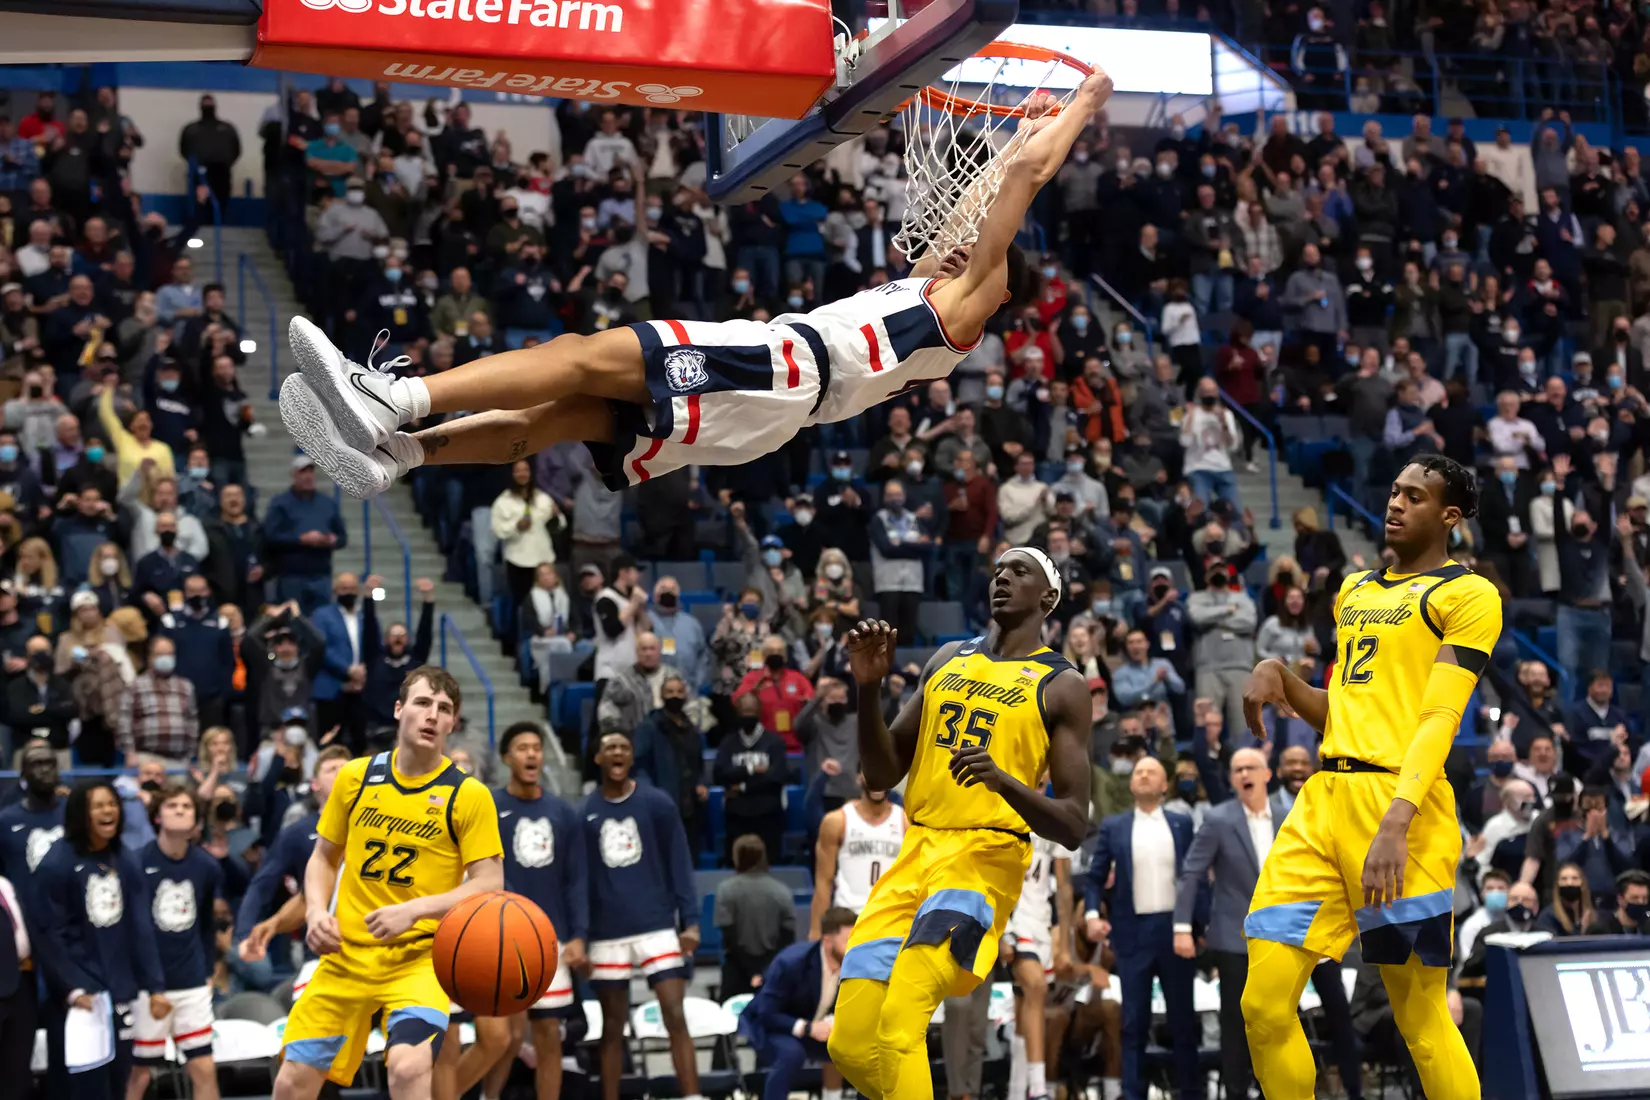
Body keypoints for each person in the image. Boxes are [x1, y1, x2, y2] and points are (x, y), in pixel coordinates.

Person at [279, 75, 1118, 499]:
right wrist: (1022, 126)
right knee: (566, 420)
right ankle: (402, 455)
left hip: (782, 370)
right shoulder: (936, 293)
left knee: (580, 356)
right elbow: (992, 187)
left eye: (979, 244)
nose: (961, 227)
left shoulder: (968, 302)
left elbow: (1020, 184)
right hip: (774, 406)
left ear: (1002, 283)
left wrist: (1082, 103)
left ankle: (399, 399)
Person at [1240, 454, 1500, 1100]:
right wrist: (1283, 680)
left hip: (1401, 807)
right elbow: (1347, 708)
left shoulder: (1466, 595)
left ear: (1450, 515)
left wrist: (1398, 818)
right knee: (1263, 1005)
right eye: (1392, 492)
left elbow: (1439, 716)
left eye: (1414, 496)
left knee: (1421, 1019)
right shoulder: (1354, 592)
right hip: (1323, 800)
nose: (1395, 503)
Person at [827, 547, 1092, 1099]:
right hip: (914, 852)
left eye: (1020, 571)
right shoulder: (947, 657)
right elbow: (880, 774)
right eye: (998, 570)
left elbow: (1072, 824)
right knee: (849, 1044)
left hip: (982, 862)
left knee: (901, 1022)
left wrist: (1004, 782)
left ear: (1048, 596)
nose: (1003, 577)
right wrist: (868, 687)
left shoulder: (1062, 684)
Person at [273, 667, 504, 1100]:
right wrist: (319, 911)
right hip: (347, 954)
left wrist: (414, 910)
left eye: (444, 709)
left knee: (408, 1068)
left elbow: (489, 883)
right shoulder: (354, 777)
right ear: (399, 710)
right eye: (422, 703)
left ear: (453, 723)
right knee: (291, 1082)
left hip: (419, 959)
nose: (432, 715)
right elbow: (323, 857)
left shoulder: (469, 795)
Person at [1173, 747, 1361, 1100]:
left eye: (1251, 768)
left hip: (1301, 929)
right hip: (1236, 935)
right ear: (1231, 778)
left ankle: (1353, 1090)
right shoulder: (1217, 818)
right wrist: (1182, 926)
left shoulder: (1290, 815)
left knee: (1336, 1008)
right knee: (1238, 1024)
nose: (1244, 774)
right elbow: (1192, 872)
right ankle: (1239, 1094)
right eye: (1237, 769)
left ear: (1267, 774)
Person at [583, 729, 702, 1100]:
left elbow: (680, 863)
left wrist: (692, 921)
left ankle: (693, 1095)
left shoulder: (658, 803)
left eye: (623, 747)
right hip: (607, 932)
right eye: (609, 747)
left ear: (631, 757)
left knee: (675, 1015)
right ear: (598, 759)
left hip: (657, 925)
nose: (617, 752)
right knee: (613, 1028)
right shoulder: (583, 812)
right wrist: (582, 935)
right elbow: (580, 881)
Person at [33, 780, 168, 1100]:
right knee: (80, 1087)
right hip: (79, 997)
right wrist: (74, 988)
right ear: (81, 814)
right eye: (98, 805)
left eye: (112, 804)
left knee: (119, 1079)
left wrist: (156, 986)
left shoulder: (125, 858)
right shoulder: (57, 863)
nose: (108, 811)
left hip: (120, 991)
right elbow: (48, 934)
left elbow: (141, 926)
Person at [1081, 757, 1198, 1100]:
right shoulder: (1113, 826)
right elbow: (1095, 877)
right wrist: (1090, 914)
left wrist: (1196, 925)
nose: (1144, 775)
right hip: (1132, 933)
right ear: (1131, 785)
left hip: (1175, 930)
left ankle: (1191, 1091)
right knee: (1133, 1023)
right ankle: (1133, 1094)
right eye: (1138, 772)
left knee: (1183, 1021)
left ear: (1165, 786)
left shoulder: (1181, 823)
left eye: (1152, 772)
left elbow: (1194, 880)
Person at [489, 723, 587, 1100]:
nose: (531, 754)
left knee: (549, 1035)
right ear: (505, 758)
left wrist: (578, 935)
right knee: (506, 1039)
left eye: (536, 747)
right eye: (522, 748)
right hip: (501, 939)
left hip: (552, 939)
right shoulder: (490, 807)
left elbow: (576, 880)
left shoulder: (563, 811)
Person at [129, 782, 222, 1100]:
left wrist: (208, 971)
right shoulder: (136, 862)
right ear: (157, 816)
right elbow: (133, 929)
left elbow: (207, 924)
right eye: (172, 806)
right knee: (139, 1074)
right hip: (147, 984)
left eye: (186, 807)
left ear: (197, 819)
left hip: (191, 981)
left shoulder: (207, 866)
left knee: (204, 1069)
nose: (180, 811)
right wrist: (150, 984)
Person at [738, 906, 857, 1100]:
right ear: (827, 941)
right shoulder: (791, 963)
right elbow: (766, 1013)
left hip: (816, 1028)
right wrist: (808, 1028)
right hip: (773, 1028)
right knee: (792, 1053)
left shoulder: (855, 964)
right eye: (848, 941)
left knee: (865, 1050)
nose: (855, 947)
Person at [1004, 825, 1073, 1100]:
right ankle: (1038, 1088)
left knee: (1026, 1007)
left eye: (1043, 782)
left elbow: (1065, 887)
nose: (1038, 785)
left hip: (1042, 921)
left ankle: (1016, 1092)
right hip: (1013, 919)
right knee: (1036, 987)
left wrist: (1064, 945)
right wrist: (1000, 931)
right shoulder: (1003, 813)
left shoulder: (1053, 818)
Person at [809, 767, 906, 937]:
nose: (877, 781)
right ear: (857, 777)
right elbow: (824, 881)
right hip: (847, 920)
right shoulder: (837, 821)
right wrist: (816, 931)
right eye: (870, 773)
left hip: (890, 919)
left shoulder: (905, 821)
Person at [714, 691, 792, 866]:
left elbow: (776, 777)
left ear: (759, 712)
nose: (747, 715)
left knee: (770, 864)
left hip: (768, 814)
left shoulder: (774, 742)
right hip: (736, 816)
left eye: (751, 711)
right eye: (744, 711)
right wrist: (751, 769)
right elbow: (719, 775)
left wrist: (741, 788)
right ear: (737, 712)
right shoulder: (728, 743)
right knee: (736, 865)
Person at [715, 833, 798, 996]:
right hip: (773, 970)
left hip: (736, 971)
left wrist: (751, 971)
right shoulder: (782, 891)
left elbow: (729, 936)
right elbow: (787, 937)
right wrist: (764, 970)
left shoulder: (725, 890)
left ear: (736, 856)